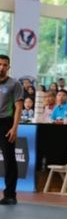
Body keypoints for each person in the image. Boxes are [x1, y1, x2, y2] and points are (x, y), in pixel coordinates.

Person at [0, 55, 23, 205]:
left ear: (8, 67)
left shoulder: (15, 84)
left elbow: (19, 107)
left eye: (4, 65)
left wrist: (14, 128)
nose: (1, 67)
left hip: (5, 123)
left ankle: (10, 195)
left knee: (9, 159)